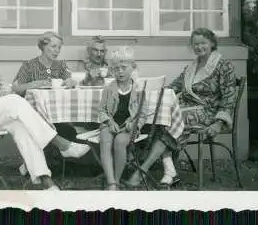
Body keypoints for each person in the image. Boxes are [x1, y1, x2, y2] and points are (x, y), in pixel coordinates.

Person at [0, 15, 90, 190]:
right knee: (14, 101)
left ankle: (44, 180)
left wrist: (4, 89)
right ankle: (61, 144)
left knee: (21, 124)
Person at [126, 27, 238, 188]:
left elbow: (229, 97)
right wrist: (153, 94)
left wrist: (218, 123)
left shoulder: (223, 66)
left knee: (172, 120)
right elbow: (173, 87)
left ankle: (142, 171)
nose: (199, 47)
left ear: (212, 43)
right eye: (196, 44)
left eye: (203, 43)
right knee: (160, 115)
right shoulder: (191, 67)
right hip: (185, 108)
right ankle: (170, 171)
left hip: (208, 112)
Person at [11, 32, 91, 148]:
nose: (57, 51)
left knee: (69, 131)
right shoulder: (28, 66)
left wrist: (71, 82)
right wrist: (34, 84)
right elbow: (16, 88)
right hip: (34, 115)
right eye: (53, 47)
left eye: (59, 47)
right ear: (43, 46)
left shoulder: (61, 65)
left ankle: (61, 161)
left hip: (57, 115)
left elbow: (70, 80)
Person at [98, 47, 147, 190]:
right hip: (111, 123)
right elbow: (101, 110)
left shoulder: (138, 89)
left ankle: (117, 180)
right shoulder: (109, 88)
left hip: (128, 127)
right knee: (105, 139)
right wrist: (109, 121)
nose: (119, 71)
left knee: (120, 141)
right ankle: (111, 182)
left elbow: (142, 114)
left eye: (123, 67)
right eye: (115, 68)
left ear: (133, 67)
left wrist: (134, 123)